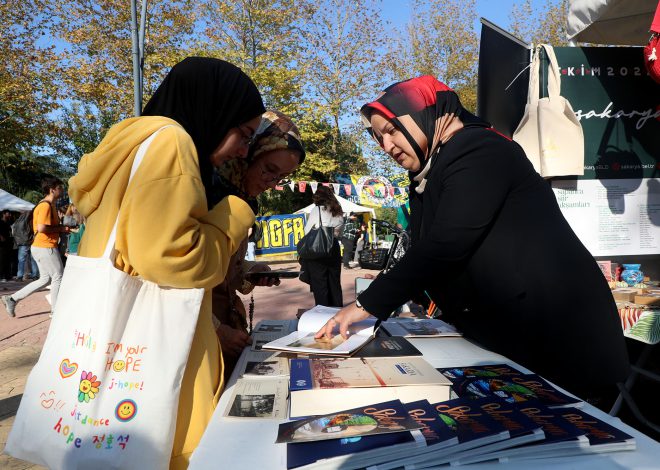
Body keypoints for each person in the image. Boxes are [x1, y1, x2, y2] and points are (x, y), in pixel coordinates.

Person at [316, 75, 629, 400]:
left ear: (429, 114)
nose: (387, 146)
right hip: (511, 329)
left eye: (392, 130)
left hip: (557, 331)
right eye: (378, 138)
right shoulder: (430, 170)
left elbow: (447, 242)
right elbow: (426, 246)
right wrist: (402, 289)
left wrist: (367, 304)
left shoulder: (478, 149)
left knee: (564, 433)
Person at [67, 57, 265, 468]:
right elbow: (174, 258)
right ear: (214, 111)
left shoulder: (129, 147)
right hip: (161, 357)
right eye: (243, 134)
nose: (243, 150)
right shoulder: (173, 143)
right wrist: (234, 213)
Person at [211, 109, 305, 379]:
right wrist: (215, 329)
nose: (271, 182)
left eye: (281, 178)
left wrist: (250, 270)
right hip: (199, 338)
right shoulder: (207, 196)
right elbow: (171, 284)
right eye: (269, 170)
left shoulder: (243, 200)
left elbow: (222, 270)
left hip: (230, 332)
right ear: (248, 153)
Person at [2, 176, 70, 317]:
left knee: (45, 279)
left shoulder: (48, 205)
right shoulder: (45, 205)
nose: (62, 190)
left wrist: (61, 228)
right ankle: (55, 311)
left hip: (40, 247)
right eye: (59, 188)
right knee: (58, 275)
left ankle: (12, 298)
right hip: (45, 246)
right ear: (52, 190)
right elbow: (42, 228)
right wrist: (62, 229)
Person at [301, 186, 344, 307]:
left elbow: (307, 231)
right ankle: (337, 310)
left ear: (318, 197)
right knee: (334, 283)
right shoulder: (337, 210)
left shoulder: (317, 210)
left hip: (319, 247)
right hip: (334, 246)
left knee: (320, 284)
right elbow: (340, 231)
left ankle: (322, 314)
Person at [0, 210, 13, 281]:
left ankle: (7, 275)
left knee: (7, 259)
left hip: (8, 243)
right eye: (8, 213)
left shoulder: (8, 222)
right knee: (2, 260)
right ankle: (1, 276)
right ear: (3, 214)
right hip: (2, 245)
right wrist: (1, 237)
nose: (10, 215)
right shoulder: (0, 222)